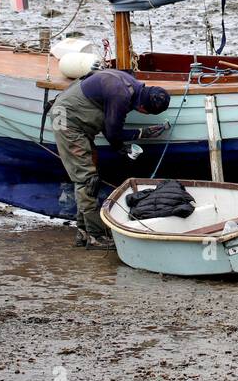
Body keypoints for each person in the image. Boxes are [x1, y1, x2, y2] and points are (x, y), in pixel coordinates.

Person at [50, 68, 171, 248]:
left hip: (78, 121)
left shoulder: (132, 85)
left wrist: (120, 147)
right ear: (144, 109)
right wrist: (142, 133)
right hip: (68, 122)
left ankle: (83, 232)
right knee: (88, 180)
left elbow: (109, 127)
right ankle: (95, 236)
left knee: (86, 178)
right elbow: (113, 132)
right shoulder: (121, 95)